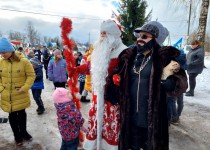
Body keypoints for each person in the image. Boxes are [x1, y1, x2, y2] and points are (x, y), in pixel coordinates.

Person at [104, 21, 188, 150]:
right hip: (130, 115)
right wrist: (114, 85)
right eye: (139, 36)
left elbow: (181, 81)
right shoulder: (128, 57)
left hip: (152, 117)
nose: (140, 39)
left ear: (154, 39)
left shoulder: (163, 58)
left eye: (144, 36)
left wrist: (168, 81)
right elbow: (114, 78)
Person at [75, 19, 127, 149]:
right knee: (96, 122)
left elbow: (128, 73)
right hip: (97, 95)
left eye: (106, 32)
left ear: (114, 34)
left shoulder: (124, 52)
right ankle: (94, 144)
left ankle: (109, 146)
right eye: (101, 32)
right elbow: (91, 66)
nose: (102, 35)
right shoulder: (98, 48)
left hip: (112, 97)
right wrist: (76, 69)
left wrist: (119, 79)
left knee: (110, 125)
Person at [0, 37, 35, 146]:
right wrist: (1, 88)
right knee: (12, 115)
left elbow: (31, 75)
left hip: (20, 94)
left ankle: (24, 132)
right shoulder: (1, 62)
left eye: (4, 52)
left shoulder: (24, 61)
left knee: (21, 114)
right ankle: (17, 135)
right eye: (0, 52)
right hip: (7, 95)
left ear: (10, 50)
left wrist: (24, 88)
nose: (2, 54)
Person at [168, 49, 187, 125]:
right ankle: (178, 115)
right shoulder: (183, 59)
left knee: (172, 101)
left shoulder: (172, 62)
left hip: (175, 84)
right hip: (182, 83)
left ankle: (174, 118)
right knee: (180, 100)